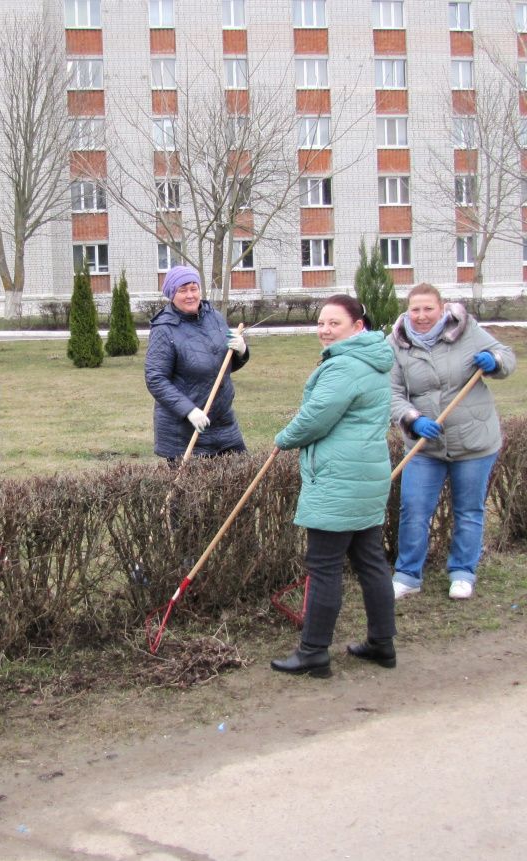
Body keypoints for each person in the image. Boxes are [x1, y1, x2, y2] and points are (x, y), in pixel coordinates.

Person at [271, 294, 396, 677]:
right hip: (366, 475)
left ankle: (313, 652)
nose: (324, 330)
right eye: (321, 323)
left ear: (358, 327)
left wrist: (283, 438)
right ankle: (381, 643)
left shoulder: (344, 366)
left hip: (339, 479)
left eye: (334, 323)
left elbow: (316, 418)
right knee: (370, 561)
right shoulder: (372, 360)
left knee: (324, 567)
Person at [389, 283, 516, 601]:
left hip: (474, 440)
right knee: (414, 509)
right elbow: (389, 393)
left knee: (469, 510)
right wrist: (412, 419)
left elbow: (506, 356)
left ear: (442, 308)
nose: (421, 316)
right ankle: (407, 575)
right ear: (408, 311)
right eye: (415, 309)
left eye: (428, 308)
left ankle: (462, 572)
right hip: (425, 445)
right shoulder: (397, 343)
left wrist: (494, 361)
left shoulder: (466, 330)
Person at [144, 264, 249, 461]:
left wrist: (241, 351)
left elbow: (222, 368)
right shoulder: (164, 329)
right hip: (185, 430)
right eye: (182, 290)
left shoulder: (215, 318)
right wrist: (189, 410)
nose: (190, 295)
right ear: (171, 294)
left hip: (223, 423)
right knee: (195, 490)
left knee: (241, 480)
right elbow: (155, 379)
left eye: (194, 288)